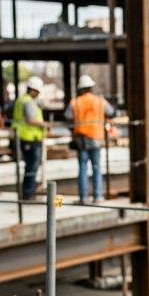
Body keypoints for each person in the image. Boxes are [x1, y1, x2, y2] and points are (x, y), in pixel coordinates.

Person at [65, 73, 114, 203]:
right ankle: (98, 196)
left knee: (82, 167)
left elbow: (68, 119)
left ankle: (84, 197)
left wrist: (73, 131)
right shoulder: (100, 101)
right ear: (91, 87)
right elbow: (111, 112)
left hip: (81, 138)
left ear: (80, 89)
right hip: (96, 138)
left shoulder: (75, 102)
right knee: (97, 167)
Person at [11, 75, 47, 200]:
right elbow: (31, 120)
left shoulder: (22, 100)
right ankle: (28, 192)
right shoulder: (27, 101)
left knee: (30, 165)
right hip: (29, 138)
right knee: (32, 166)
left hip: (25, 136)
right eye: (36, 91)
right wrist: (45, 125)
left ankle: (28, 191)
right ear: (32, 90)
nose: (37, 94)